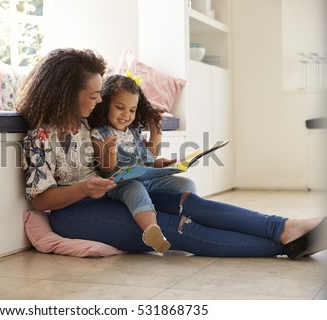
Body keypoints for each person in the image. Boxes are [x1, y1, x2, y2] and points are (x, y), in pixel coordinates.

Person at [17, 48, 327, 259]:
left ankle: (285, 227)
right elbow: (41, 199)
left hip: (111, 193)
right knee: (177, 229)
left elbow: (119, 155)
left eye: (100, 94)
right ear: (66, 95)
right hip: (75, 214)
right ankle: (284, 246)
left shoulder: (89, 124)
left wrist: (151, 165)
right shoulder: (39, 138)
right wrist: (84, 188)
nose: (99, 101)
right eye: (93, 95)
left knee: (189, 203)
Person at [87, 74, 195, 253]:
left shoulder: (133, 132)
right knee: (135, 189)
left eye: (132, 110)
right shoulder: (99, 133)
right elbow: (106, 168)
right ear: (105, 105)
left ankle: (186, 219)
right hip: (120, 183)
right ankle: (152, 231)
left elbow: (149, 157)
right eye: (120, 107)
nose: (126, 115)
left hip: (148, 179)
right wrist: (110, 151)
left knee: (187, 184)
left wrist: (157, 138)